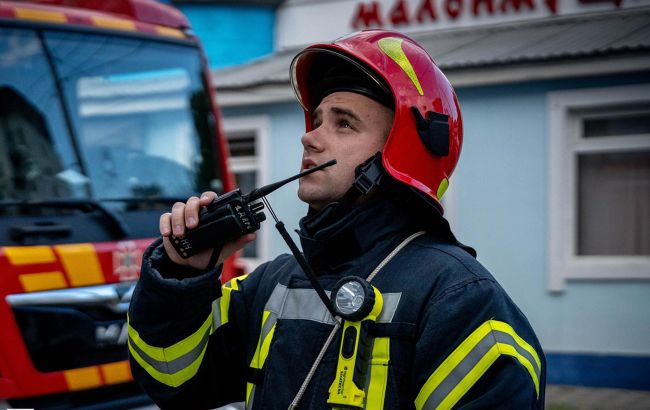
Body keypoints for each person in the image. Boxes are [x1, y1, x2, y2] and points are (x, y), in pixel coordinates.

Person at [127, 30, 546, 409]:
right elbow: (172, 382)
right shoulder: (271, 284)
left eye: (344, 123)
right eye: (317, 120)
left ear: (400, 155)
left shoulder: (460, 301)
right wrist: (182, 276)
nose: (309, 137)